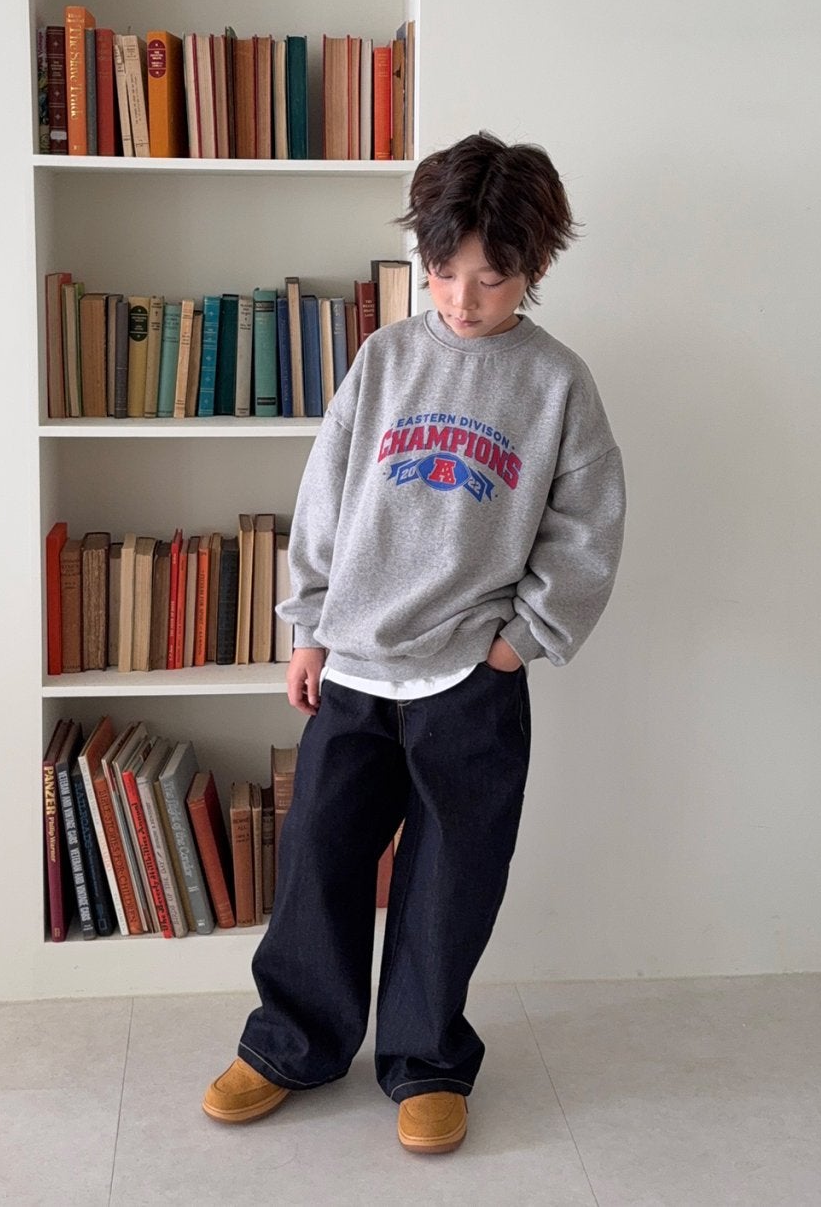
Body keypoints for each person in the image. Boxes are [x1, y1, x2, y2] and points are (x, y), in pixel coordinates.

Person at [203, 130, 626, 1154]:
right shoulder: (385, 358)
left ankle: (427, 1061)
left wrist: (520, 642)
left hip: (469, 678)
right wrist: (307, 625)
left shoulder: (556, 383)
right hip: (354, 664)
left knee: (449, 882)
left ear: (534, 266)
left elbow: (586, 529)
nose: (462, 300)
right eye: (443, 273)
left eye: (491, 279)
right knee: (318, 858)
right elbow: (325, 496)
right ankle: (290, 1044)